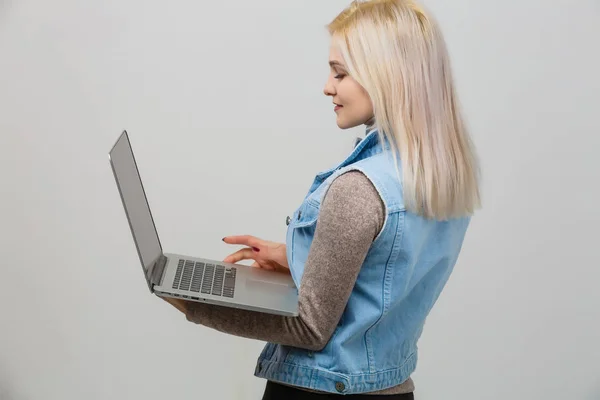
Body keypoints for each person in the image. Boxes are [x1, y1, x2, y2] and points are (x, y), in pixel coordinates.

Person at [164, 0, 481, 398]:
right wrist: (297, 258)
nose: (327, 86)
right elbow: (385, 276)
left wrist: (190, 302)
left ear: (388, 77)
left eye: (340, 73)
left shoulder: (360, 189)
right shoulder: (444, 175)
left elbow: (309, 329)